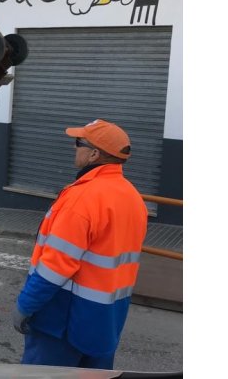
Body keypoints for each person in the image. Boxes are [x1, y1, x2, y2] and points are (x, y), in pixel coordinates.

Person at [12, 119, 148, 369]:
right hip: (105, 323)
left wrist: (25, 305)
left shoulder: (82, 198)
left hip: (62, 325)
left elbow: (56, 266)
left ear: (94, 154)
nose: (75, 148)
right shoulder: (133, 198)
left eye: (78, 143)